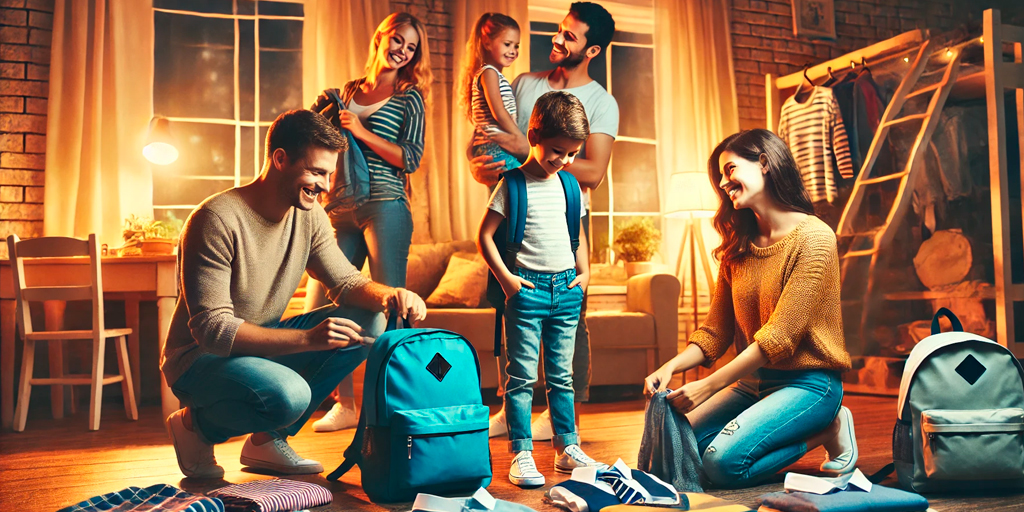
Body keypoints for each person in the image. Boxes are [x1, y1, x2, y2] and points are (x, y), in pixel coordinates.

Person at [161, 109, 427, 479]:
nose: (326, 185)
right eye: (317, 172)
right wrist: (307, 339)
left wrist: (390, 295)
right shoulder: (216, 218)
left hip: (257, 349)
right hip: (199, 359)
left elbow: (347, 282)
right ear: (280, 159)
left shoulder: (310, 215)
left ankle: (267, 441)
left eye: (330, 174)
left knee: (370, 317)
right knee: (291, 395)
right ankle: (195, 428)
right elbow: (213, 330)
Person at [643, 129, 858, 489]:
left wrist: (706, 387)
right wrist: (671, 367)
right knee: (679, 449)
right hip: (752, 383)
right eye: (721, 178)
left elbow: (780, 338)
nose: (725, 183)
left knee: (721, 464)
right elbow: (715, 332)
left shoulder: (815, 239)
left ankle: (827, 428)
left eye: (730, 170)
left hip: (809, 384)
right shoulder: (737, 247)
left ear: (764, 162)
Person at [469, 1, 619, 443]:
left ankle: (559, 417)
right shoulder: (526, 82)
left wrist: (521, 147)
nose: (557, 39)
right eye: (559, 29)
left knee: (566, 321)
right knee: (507, 308)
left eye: (570, 36)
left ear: (591, 51)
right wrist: (483, 157)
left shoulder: (600, 102)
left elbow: (593, 171)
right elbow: (499, 142)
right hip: (518, 214)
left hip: (565, 214)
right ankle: (508, 406)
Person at [304, 11, 432, 433]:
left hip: (387, 207)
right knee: (325, 301)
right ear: (381, 37)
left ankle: (388, 404)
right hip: (341, 207)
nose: (402, 50)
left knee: (390, 306)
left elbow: (409, 158)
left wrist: (359, 129)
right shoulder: (348, 91)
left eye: (411, 47)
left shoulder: (410, 96)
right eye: (398, 39)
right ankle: (346, 405)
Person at [478, 91, 605, 488]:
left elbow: (578, 236)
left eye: (571, 153)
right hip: (526, 292)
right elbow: (484, 236)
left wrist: (585, 274)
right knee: (519, 378)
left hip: (567, 291)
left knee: (562, 376)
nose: (563, 160)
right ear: (534, 134)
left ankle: (567, 449)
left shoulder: (570, 186)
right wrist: (507, 280)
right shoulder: (512, 184)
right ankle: (521, 453)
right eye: (556, 151)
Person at [457, 12, 523, 172]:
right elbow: (498, 112)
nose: (513, 51)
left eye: (516, 46)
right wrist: (518, 137)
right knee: (525, 182)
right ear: (487, 43)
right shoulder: (489, 73)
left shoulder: (494, 75)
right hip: (493, 147)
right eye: (507, 44)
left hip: (495, 146)